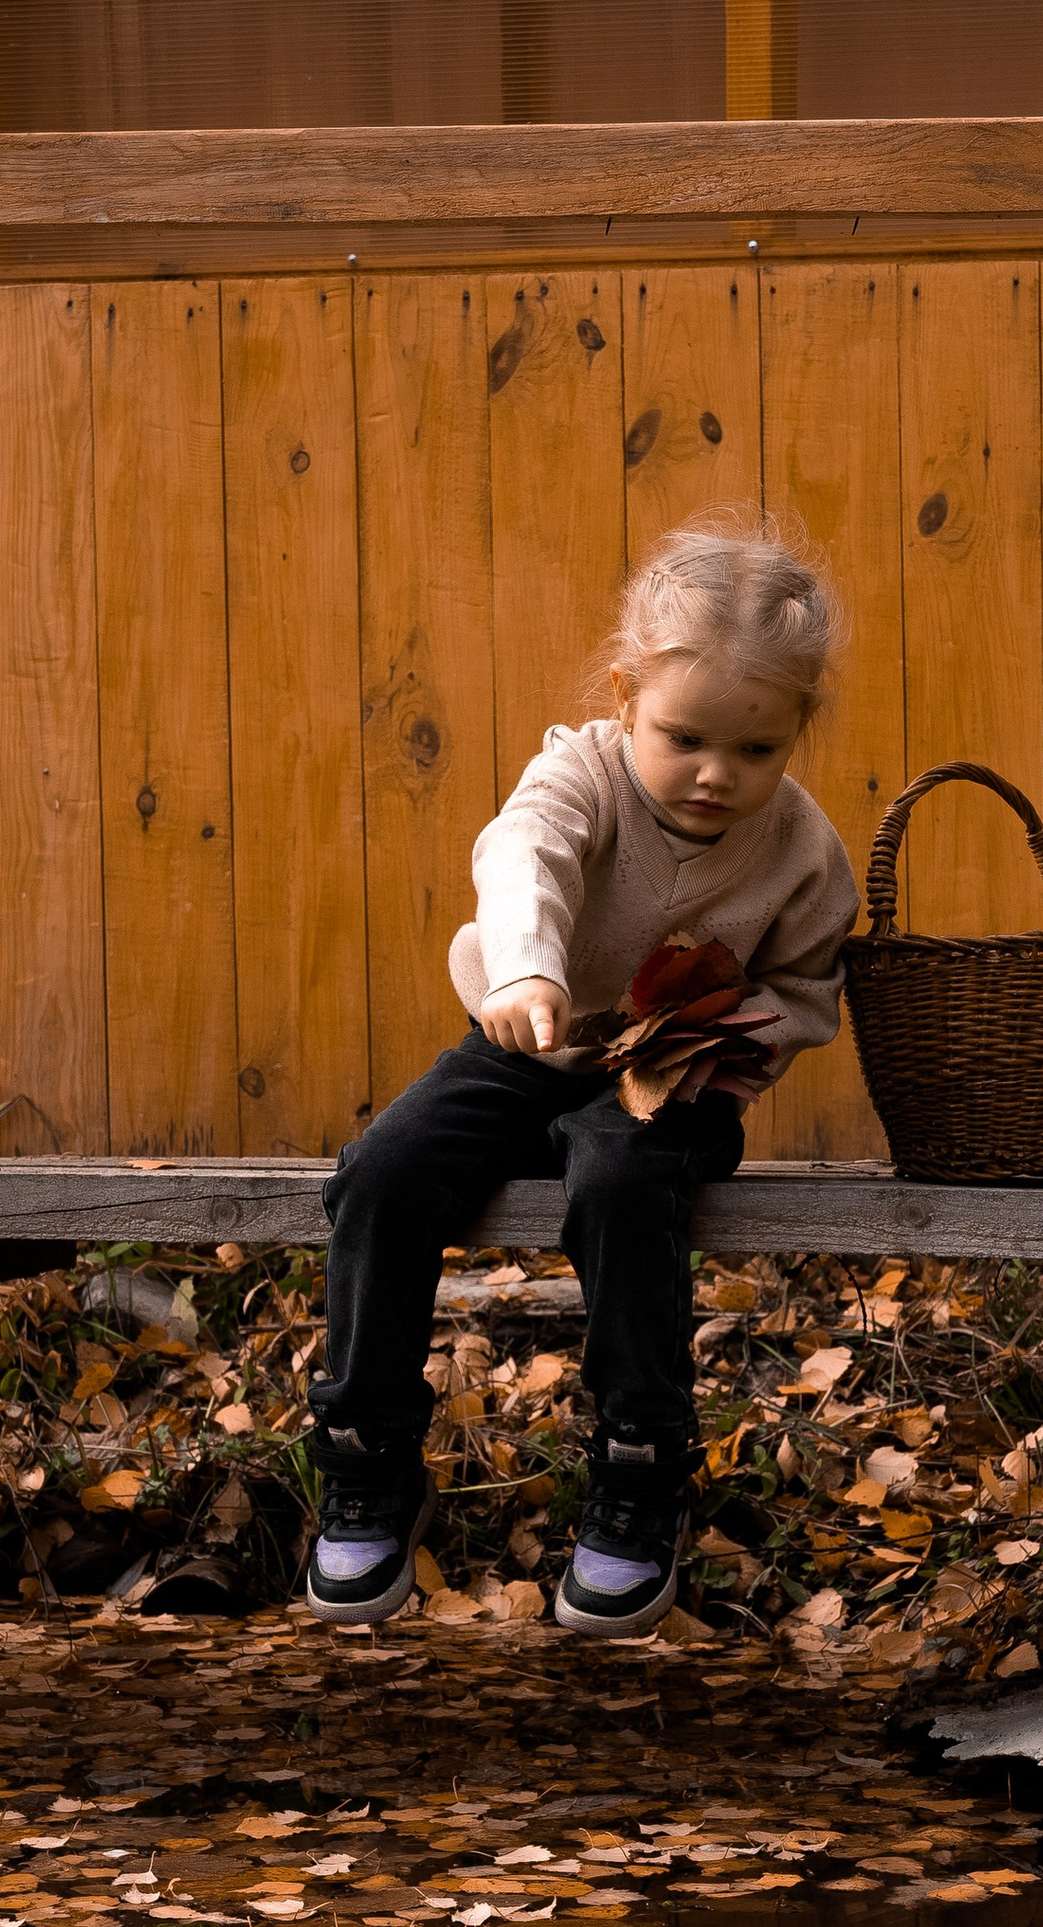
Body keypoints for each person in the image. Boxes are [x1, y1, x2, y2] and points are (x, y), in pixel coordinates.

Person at [305, 521, 857, 1638]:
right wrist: (526, 968)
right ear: (624, 698)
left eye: (754, 750)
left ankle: (639, 1465)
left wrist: (713, 1040)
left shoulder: (801, 849)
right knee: (382, 1171)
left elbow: (806, 987)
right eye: (685, 737)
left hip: (670, 1086)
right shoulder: (580, 774)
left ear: (797, 730)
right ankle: (366, 1452)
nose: (715, 773)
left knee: (614, 1174)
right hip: (528, 1045)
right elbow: (526, 855)